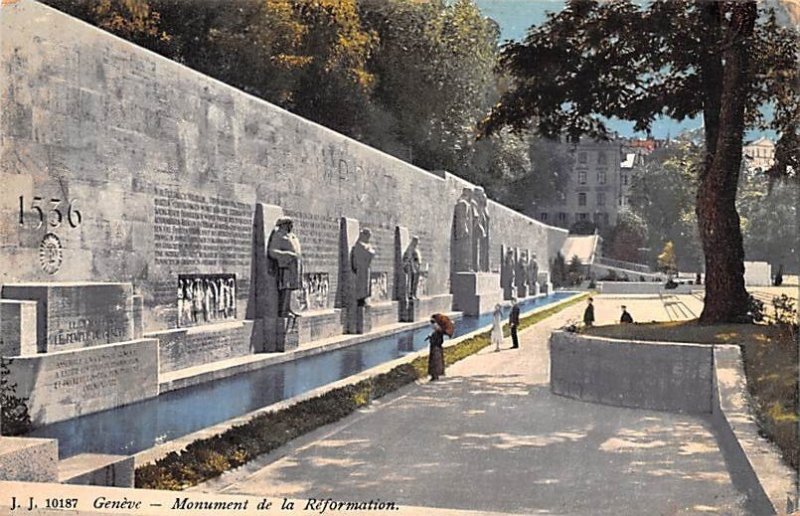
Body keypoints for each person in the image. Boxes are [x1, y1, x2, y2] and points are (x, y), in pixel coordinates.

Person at [426, 313, 453, 381]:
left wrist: (432, 338)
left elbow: (437, 340)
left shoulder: (439, 331)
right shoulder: (437, 332)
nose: (432, 324)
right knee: (436, 361)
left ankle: (435, 375)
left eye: (433, 322)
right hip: (436, 348)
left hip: (436, 349)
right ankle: (436, 375)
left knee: (435, 361)